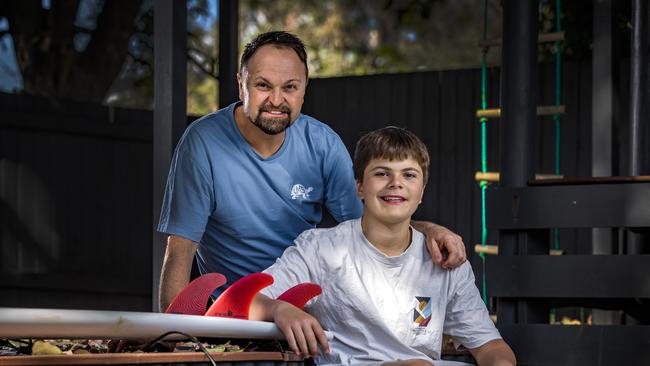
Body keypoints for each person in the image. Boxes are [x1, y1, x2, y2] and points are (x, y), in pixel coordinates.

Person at [157, 31, 467, 312]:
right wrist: (172, 332)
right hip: (235, 310)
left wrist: (430, 231)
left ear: (304, 89)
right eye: (263, 85)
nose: (276, 100)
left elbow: (372, 225)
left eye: (289, 87)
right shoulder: (202, 143)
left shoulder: (323, 144)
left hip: (310, 306)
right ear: (241, 84)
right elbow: (181, 246)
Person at [250, 126, 516, 366]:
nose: (395, 183)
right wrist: (279, 308)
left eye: (409, 175)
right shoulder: (320, 249)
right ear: (359, 188)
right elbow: (247, 301)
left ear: (422, 191)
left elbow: (490, 345)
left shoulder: (447, 261)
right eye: (381, 173)